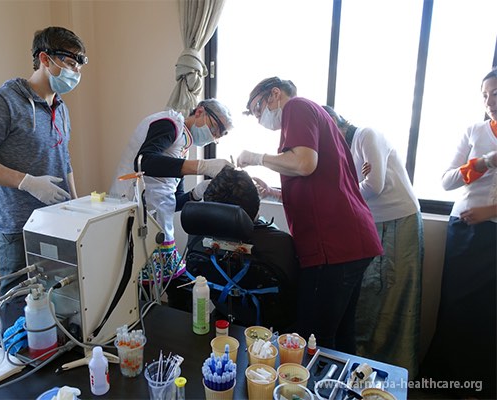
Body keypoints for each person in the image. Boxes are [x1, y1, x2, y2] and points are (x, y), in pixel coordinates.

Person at [237, 77, 383, 353]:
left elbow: (305, 164)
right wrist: (273, 192)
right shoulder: (314, 120)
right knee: (339, 336)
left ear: (274, 95)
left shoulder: (298, 108)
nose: (259, 119)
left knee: (311, 339)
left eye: (258, 110)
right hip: (351, 241)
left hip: (334, 246)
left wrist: (257, 158)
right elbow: (320, 183)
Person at [0, 27, 88, 295]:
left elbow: (64, 159)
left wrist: (77, 205)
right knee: (17, 308)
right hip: (19, 228)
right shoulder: (5, 101)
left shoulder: (60, 107)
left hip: (58, 223)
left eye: (79, 66)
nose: (75, 72)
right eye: (69, 63)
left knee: (60, 302)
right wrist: (27, 182)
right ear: (45, 59)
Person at [322, 106, 424, 377]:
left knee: (392, 295)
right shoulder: (342, 151)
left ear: (333, 121)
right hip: (371, 222)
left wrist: (354, 185)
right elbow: (354, 187)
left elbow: (374, 185)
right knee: (368, 294)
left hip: (398, 220)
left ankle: (395, 372)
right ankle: (364, 366)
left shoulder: (366, 135)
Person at [420, 69, 496, 399]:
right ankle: (442, 381)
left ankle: (480, 385)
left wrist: (491, 212)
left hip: (493, 232)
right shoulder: (474, 131)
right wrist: (483, 163)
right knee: (454, 306)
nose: (490, 101)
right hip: (463, 232)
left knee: (488, 311)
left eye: (495, 93)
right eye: (485, 95)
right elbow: (447, 180)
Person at [109, 99, 234, 287]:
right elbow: (144, 162)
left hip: (157, 222)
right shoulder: (169, 124)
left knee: (160, 286)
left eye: (219, 135)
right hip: (134, 212)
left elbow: (174, 202)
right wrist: (202, 166)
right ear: (200, 111)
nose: (214, 136)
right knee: (136, 287)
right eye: (215, 128)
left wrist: (198, 192)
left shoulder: (182, 148)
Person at [167, 165, 298, 330]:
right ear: (255, 203)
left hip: (224, 320)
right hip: (269, 332)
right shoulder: (280, 244)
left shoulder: (197, 239)